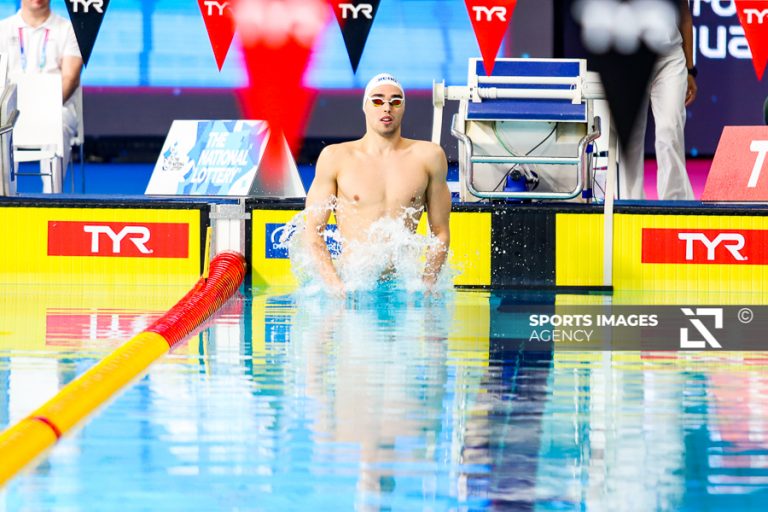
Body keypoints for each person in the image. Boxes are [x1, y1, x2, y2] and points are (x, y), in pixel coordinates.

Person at [303, 73, 451, 295]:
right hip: (353, 285)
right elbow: (313, 232)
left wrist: (427, 284)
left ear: (403, 108)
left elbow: (440, 232)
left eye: (395, 101)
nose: (387, 108)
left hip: (403, 287)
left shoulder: (429, 157)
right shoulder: (336, 157)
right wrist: (335, 286)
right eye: (378, 101)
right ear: (365, 106)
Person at [0, 0, 83, 193]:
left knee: (58, 122)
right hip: (11, 110)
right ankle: (3, 196)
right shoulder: (3, 29)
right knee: (2, 123)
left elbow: (70, 78)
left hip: (55, 106)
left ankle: (53, 197)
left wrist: (44, 109)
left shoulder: (68, 29)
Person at [621, 0, 697, 200]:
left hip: (669, 59)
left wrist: (690, 70)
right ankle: (630, 203)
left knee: (670, 129)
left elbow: (684, 16)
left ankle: (675, 203)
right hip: (629, 60)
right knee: (630, 137)